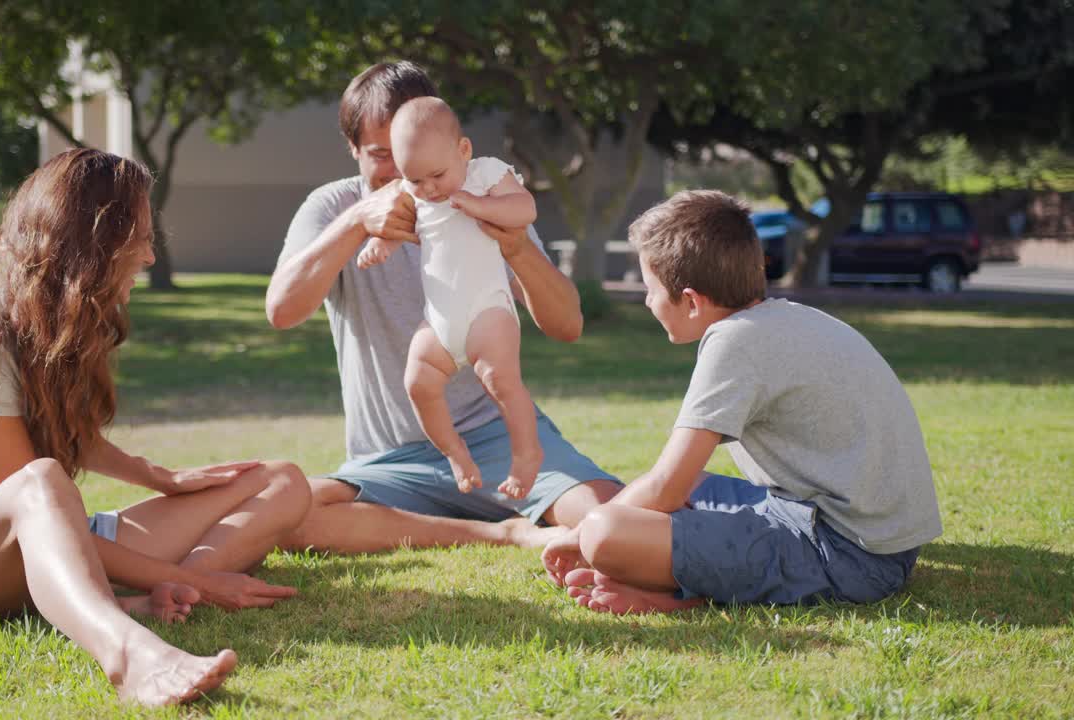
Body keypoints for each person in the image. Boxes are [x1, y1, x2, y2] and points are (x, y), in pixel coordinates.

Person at [0, 148, 311, 706]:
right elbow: (24, 500)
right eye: (136, 234)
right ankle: (129, 652)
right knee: (41, 481)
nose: (151, 255)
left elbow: (70, 436)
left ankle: (153, 591)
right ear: (90, 242)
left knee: (279, 480)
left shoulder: (65, 324)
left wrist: (162, 479)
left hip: (52, 536)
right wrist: (207, 579)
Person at [267, 61, 621, 553]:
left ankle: (515, 506)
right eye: (381, 156)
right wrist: (357, 224)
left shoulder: (479, 189)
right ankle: (501, 531)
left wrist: (515, 247)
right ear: (353, 150)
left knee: (609, 515)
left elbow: (567, 325)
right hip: (388, 460)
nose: (405, 177)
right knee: (283, 519)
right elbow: (281, 312)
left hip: (493, 437)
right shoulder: (332, 207)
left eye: (415, 157)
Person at [542, 190, 942, 614]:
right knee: (684, 492)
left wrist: (581, 533)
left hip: (851, 558)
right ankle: (674, 576)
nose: (647, 302)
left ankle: (681, 596)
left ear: (692, 301)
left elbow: (665, 487)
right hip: (867, 537)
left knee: (605, 531)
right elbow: (679, 485)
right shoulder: (786, 318)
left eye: (649, 288)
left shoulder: (734, 341)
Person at [357, 97, 542, 500]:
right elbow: (395, 226)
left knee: (500, 379)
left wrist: (481, 205)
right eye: (415, 179)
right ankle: (455, 453)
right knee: (418, 383)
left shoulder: (486, 174)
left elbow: (524, 209)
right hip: (439, 320)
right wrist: (381, 244)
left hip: (487, 310)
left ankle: (527, 453)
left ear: (464, 150)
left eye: (437, 175)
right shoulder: (415, 191)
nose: (428, 188)